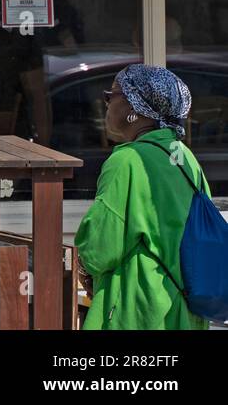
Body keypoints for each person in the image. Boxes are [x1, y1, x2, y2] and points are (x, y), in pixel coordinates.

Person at [76, 65, 208, 330]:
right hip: (185, 311)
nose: (107, 104)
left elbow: (100, 248)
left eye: (111, 95)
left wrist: (82, 267)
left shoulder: (127, 161)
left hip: (138, 310)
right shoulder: (185, 158)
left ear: (134, 106)